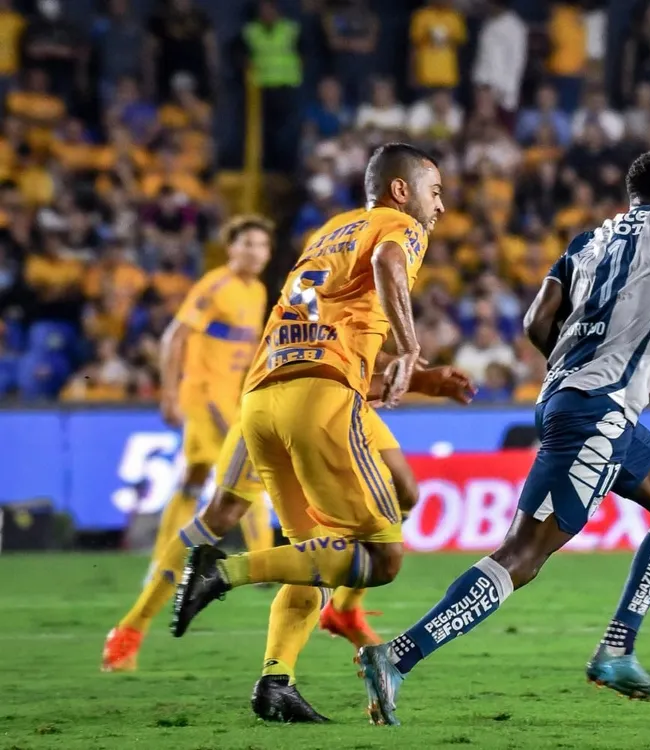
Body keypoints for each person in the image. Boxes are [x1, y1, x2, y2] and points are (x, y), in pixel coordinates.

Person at [353, 147, 650, 725]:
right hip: (595, 411)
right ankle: (396, 656)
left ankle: (617, 649)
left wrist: (575, 367)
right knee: (521, 557)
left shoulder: (587, 242)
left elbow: (535, 323)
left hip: (597, 407)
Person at [170, 143, 473, 721]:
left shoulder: (329, 234)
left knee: (317, 552)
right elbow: (388, 267)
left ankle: (274, 682)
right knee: (382, 559)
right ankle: (223, 570)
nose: (441, 204)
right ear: (401, 190)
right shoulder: (398, 226)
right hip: (322, 401)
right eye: (435, 191)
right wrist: (411, 348)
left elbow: (330, 331)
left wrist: (423, 380)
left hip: (263, 400)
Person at [101, 216, 271, 673]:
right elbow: (176, 334)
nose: (255, 251)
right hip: (205, 397)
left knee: (196, 479)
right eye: (247, 243)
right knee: (242, 480)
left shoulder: (256, 293)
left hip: (230, 396)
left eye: (262, 245)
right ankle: (260, 565)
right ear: (230, 249)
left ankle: (163, 559)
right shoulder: (216, 285)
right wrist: (169, 391)